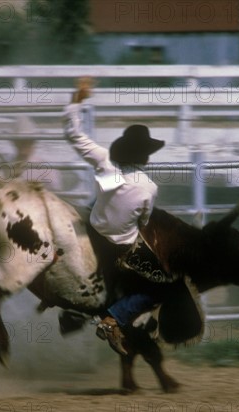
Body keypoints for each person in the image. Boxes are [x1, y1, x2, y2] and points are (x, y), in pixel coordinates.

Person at [63, 77, 170, 355]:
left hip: (92, 230)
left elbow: (74, 135)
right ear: (146, 157)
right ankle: (113, 318)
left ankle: (78, 311)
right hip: (121, 246)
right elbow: (143, 223)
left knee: (93, 202)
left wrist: (76, 100)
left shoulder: (103, 160)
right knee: (159, 285)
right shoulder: (148, 187)